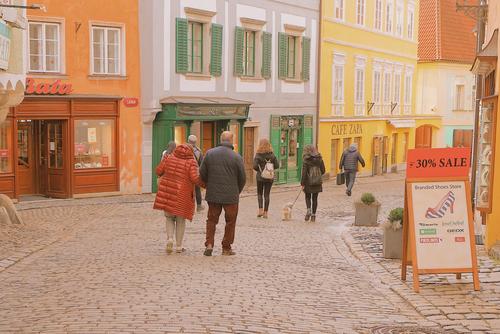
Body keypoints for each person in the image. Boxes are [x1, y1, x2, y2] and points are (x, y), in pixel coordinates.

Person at [200, 131, 246, 256]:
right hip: (231, 196)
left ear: (221, 139)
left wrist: (208, 185)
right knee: (230, 221)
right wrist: (237, 191)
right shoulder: (237, 157)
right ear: (231, 141)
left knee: (211, 220)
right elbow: (242, 178)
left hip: (213, 194)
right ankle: (226, 247)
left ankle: (209, 244)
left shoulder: (210, 154)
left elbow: (202, 173)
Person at [153, 144, 205, 254]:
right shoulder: (191, 162)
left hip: (168, 194)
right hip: (183, 196)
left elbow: (158, 171)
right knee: (180, 220)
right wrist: (205, 184)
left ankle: (170, 239)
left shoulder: (169, 157)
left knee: (169, 218)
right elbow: (195, 179)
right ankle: (179, 246)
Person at [253, 139, 279, 219]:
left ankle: (260, 209)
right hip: (269, 177)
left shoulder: (258, 155)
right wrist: (270, 169)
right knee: (267, 194)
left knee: (260, 193)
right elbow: (277, 166)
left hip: (260, 177)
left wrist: (260, 170)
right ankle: (266, 213)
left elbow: (254, 166)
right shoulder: (272, 155)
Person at [301, 145, 325, 223]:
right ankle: (313, 215)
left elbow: (304, 173)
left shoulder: (306, 160)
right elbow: (323, 170)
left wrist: (302, 183)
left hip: (308, 182)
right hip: (317, 182)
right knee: (315, 198)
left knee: (307, 196)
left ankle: (308, 210)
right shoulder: (319, 159)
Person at [187, 135, 205, 212]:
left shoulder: (184, 149)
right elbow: (202, 164)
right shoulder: (198, 151)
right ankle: (199, 206)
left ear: (188, 141)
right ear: (195, 142)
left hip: (186, 173)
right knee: (197, 189)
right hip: (195, 173)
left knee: (187, 190)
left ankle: (188, 207)